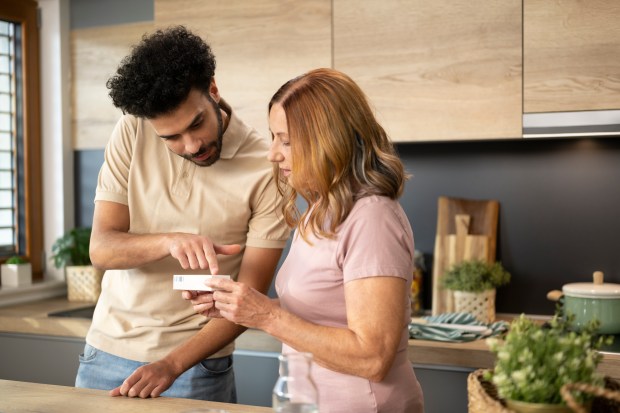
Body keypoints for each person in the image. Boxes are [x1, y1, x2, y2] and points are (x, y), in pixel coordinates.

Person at [189, 68, 425, 412]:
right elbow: (320, 314)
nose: (273, 153)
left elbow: (373, 357)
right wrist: (241, 307)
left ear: (330, 139)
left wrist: (266, 315)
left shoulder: (372, 217)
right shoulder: (321, 209)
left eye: (285, 140)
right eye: (273, 137)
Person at [75, 26, 290, 402]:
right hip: (104, 353)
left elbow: (251, 296)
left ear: (213, 90)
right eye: (171, 138)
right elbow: (102, 250)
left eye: (196, 124)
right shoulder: (131, 131)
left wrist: (172, 365)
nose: (192, 146)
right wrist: (169, 242)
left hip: (196, 366)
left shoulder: (266, 167)